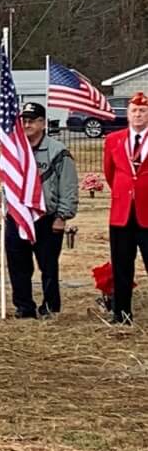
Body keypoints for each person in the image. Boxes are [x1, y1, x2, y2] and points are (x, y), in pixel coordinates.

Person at [5, 100, 79, 319]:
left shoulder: (58, 151)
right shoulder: (15, 149)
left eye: (31, 120)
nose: (26, 124)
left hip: (47, 218)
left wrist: (63, 216)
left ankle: (50, 306)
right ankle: (24, 306)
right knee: (18, 265)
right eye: (23, 120)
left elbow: (69, 186)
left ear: (42, 123)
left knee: (48, 266)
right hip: (18, 216)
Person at [102, 89, 148, 326]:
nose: (138, 115)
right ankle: (121, 313)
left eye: (142, 111)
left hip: (147, 213)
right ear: (127, 114)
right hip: (122, 214)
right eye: (134, 111)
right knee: (121, 265)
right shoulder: (113, 140)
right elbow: (110, 173)